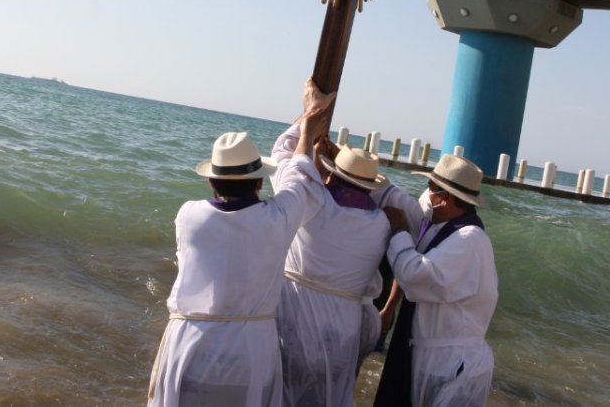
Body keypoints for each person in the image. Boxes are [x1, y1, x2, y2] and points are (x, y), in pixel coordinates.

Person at [147, 79, 335, 407]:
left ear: (211, 181)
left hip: (188, 346)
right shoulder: (277, 219)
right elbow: (298, 173)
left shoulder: (187, 215)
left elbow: (296, 174)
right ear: (260, 182)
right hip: (249, 352)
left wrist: (306, 120)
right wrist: (306, 125)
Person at [372, 154, 499, 407]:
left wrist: (399, 231)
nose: (426, 195)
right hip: (432, 355)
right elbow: (399, 201)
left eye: (431, 188)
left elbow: (415, 276)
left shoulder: (469, 239)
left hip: (452, 364)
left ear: (445, 198)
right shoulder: (442, 226)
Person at [275, 137, 391, 407]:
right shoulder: (382, 223)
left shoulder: (314, 202)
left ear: (333, 175)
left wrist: (308, 132)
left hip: (297, 316)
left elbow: (289, 166)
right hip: (344, 329)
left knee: (282, 394)